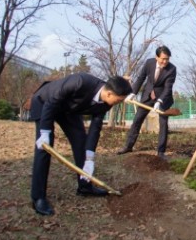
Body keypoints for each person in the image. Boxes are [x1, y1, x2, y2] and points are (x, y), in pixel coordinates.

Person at [30, 73, 132, 216]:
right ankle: (38, 197)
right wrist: (45, 132)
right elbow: (52, 101)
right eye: (119, 100)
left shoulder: (106, 104)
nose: (119, 103)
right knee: (45, 149)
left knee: (80, 142)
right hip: (45, 102)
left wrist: (89, 159)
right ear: (109, 94)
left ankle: (85, 186)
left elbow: (94, 130)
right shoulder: (80, 81)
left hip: (69, 110)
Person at [117, 46, 176, 159]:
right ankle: (128, 146)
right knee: (137, 120)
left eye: (167, 59)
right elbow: (141, 78)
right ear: (156, 57)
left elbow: (168, 87)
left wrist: (160, 101)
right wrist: (132, 93)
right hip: (148, 95)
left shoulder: (172, 69)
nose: (165, 61)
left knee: (163, 124)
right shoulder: (149, 63)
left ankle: (161, 152)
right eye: (163, 59)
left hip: (163, 98)